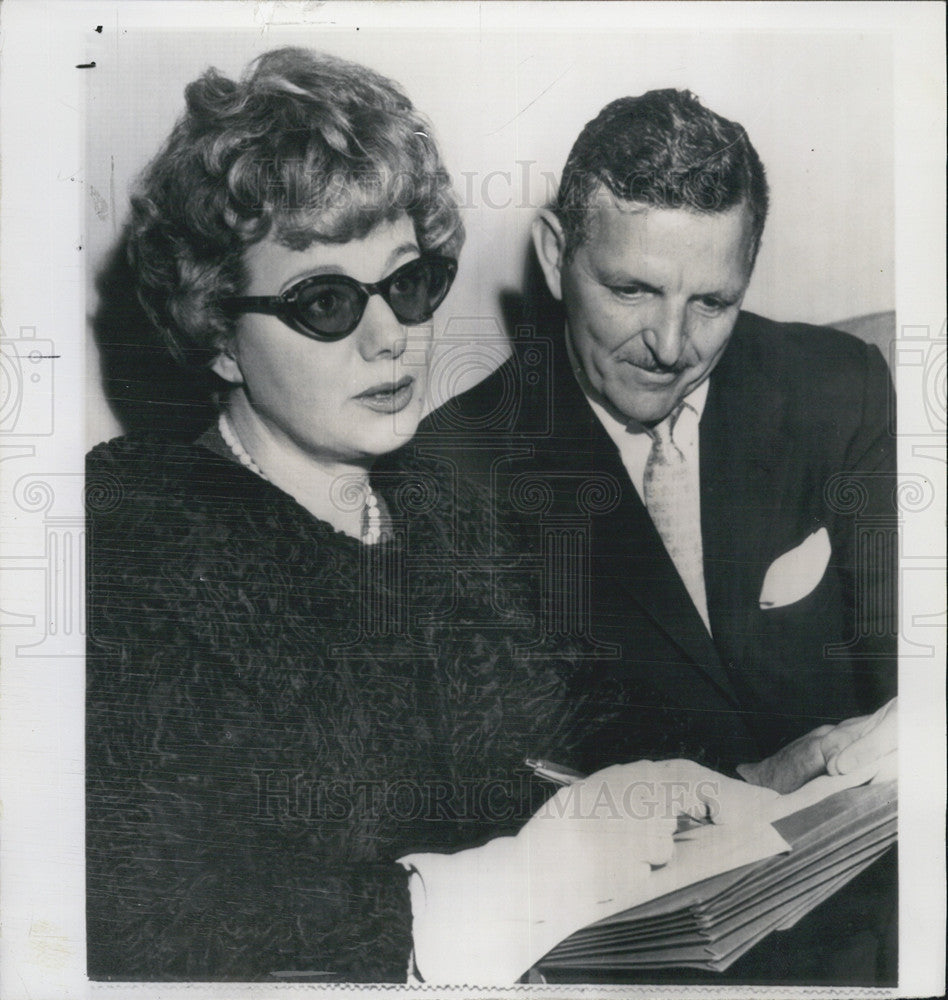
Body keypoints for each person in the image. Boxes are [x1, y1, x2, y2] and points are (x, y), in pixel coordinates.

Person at [85, 51, 771, 986]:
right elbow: (153, 924)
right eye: (324, 301)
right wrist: (527, 877)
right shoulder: (132, 542)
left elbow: (566, 728)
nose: (391, 336)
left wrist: (754, 779)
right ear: (215, 330)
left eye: (406, 284)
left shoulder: (434, 505)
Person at [421, 89, 897, 983]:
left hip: (882, 910)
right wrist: (752, 781)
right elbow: (506, 782)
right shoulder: (454, 470)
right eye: (632, 289)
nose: (670, 346)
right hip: (647, 956)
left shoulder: (842, 387)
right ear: (559, 256)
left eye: (713, 301)